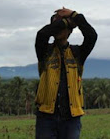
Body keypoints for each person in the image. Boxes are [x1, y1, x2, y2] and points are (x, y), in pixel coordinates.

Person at [34, 7, 97, 139]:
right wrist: (68, 22)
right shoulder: (44, 52)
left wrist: (75, 15)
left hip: (71, 118)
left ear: (70, 31)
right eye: (55, 26)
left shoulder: (77, 53)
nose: (57, 29)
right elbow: (42, 34)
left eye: (61, 25)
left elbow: (91, 36)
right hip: (46, 117)